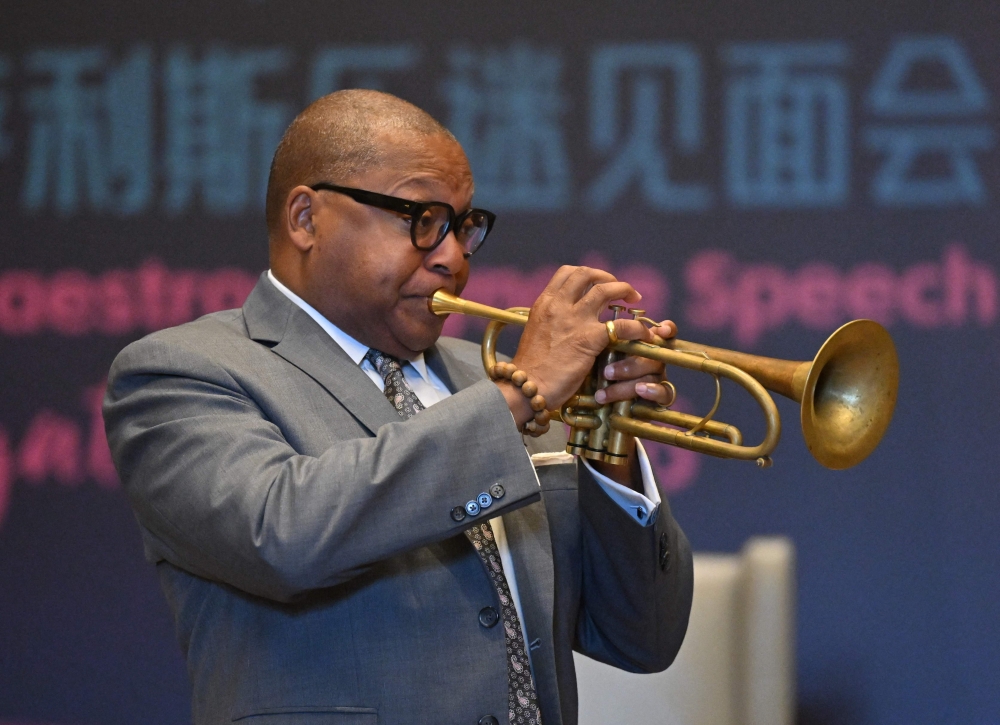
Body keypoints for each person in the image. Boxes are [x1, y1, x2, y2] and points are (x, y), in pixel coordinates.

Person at [104, 89, 693, 725]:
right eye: (422, 219)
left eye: (464, 226)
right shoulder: (179, 372)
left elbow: (642, 638)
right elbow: (281, 537)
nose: (452, 255)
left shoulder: (486, 380)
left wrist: (612, 450)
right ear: (306, 218)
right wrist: (521, 396)